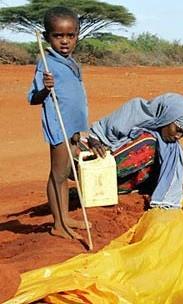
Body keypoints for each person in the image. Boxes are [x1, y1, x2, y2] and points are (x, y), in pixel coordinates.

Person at [86, 92, 183, 235]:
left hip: (121, 187)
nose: (178, 136)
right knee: (148, 143)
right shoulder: (134, 112)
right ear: (167, 117)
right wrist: (95, 141)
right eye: (177, 130)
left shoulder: (172, 149)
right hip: (101, 167)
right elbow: (98, 134)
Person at [28, 6, 88, 240]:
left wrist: (81, 128)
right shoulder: (46, 63)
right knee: (58, 175)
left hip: (73, 126)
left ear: (77, 35)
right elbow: (33, 97)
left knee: (66, 173)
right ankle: (58, 225)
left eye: (70, 35)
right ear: (47, 37)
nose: (65, 41)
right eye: (58, 35)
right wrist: (45, 88)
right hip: (58, 126)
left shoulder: (73, 63)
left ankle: (65, 216)